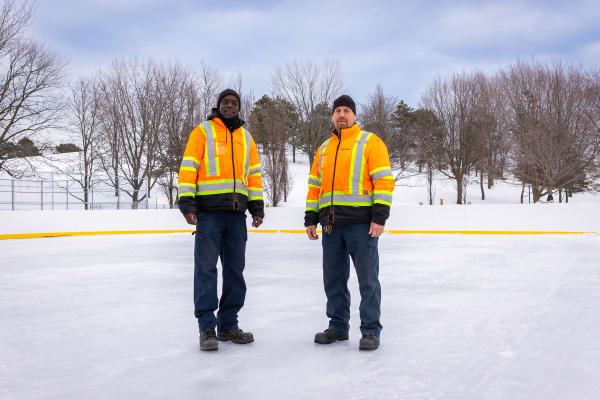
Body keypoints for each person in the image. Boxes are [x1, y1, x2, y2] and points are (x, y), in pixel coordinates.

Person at [304, 95, 394, 351]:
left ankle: (370, 331)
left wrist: (379, 217)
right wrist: (311, 218)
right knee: (333, 279)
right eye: (337, 111)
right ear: (332, 116)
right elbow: (314, 188)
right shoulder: (323, 149)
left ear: (354, 116)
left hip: (362, 225)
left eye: (346, 111)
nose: (341, 115)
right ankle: (338, 326)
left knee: (367, 280)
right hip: (331, 225)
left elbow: (384, 182)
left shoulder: (370, 142)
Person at [178, 89, 264, 351]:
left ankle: (228, 326)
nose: (230, 106)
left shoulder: (246, 138)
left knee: (235, 272)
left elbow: (254, 176)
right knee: (205, 270)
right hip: (209, 215)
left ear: (239, 108)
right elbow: (188, 167)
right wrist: (187, 203)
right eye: (225, 102)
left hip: (236, 216)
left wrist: (257, 206)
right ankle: (207, 328)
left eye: (234, 103)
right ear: (218, 106)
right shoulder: (202, 132)